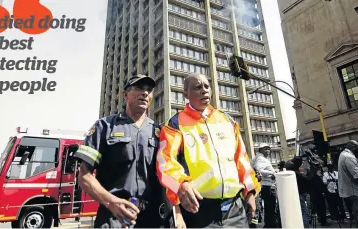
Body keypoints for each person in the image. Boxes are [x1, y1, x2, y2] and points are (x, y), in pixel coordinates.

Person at [156, 73, 260, 228]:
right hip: (199, 211)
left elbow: (242, 159)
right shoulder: (175, 123)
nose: (204, 90)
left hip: (235, 210)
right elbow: (165, 163)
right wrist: (181, 184)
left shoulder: (227, 120)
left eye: (206, 86)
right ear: (186, 94)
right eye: (197, 87)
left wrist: (250, 192)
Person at [74, 74, 164, 228]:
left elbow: (167, 177)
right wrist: (111, 202)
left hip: (152, 216)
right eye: (139, 88)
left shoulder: (159, 132)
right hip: (114, 216)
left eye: (149, 90)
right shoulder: (104, 127)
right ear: (125, 94)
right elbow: (84, 176)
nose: (145, 93)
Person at [252, 144, 277, 228]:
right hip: (267, 186)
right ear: (260, 150)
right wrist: (272, 173)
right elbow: (258, 170)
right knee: (270, 207)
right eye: (265, 149)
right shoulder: (261, 159)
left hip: (265, 185)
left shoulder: (260, 158)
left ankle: (269, 224)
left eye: (269, 149)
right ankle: (270, 225)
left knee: (268, 207)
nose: (268, 151)